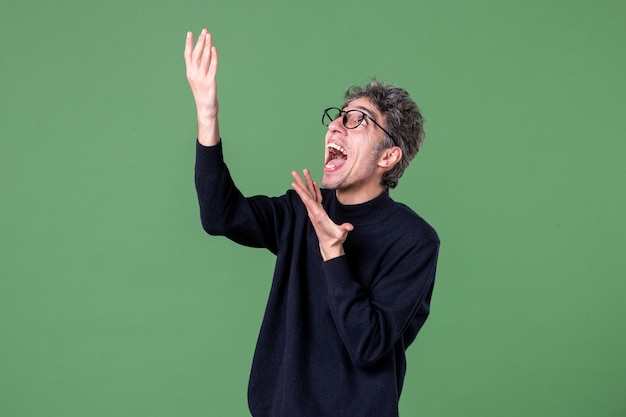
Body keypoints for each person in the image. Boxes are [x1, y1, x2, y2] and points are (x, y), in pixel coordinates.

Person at [185, 29, 440, 417]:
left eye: (357, 121)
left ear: (388, 157)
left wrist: (333, 253)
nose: (336, 126)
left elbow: (368, 345)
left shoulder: (414, 240)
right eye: (337, 117)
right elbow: (220, 216)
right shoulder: (302, 209)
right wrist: (208, 113)